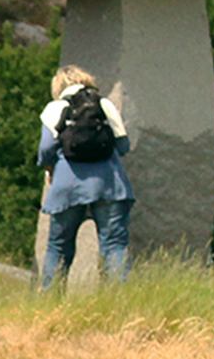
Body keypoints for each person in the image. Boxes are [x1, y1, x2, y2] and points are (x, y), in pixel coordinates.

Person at [37, 65, 134, 290]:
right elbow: (123, 145)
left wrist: (51, 168)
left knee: (58, 248)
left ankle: (51, 304)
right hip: (110, 184)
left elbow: (45, 150)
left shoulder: (55, 108)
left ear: (58, 87)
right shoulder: (104, 104)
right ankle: (121, 302)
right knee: (115, 246)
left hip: (66, 187)